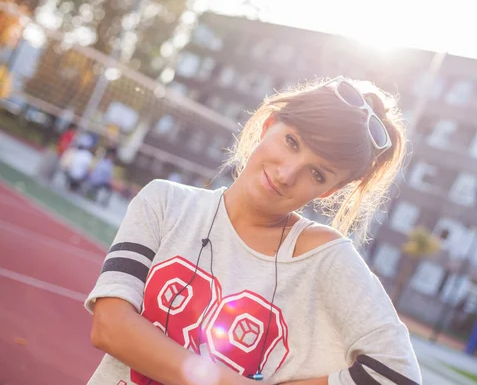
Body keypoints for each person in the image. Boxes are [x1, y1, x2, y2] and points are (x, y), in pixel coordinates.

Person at [85, 76, 422, 385]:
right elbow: (109, 327)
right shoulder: (166, 202)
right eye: (292, 142)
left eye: (317, 174)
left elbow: (399, 376)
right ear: (268, 126)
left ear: (327, 192)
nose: (288, 173)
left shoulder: (324, 257)